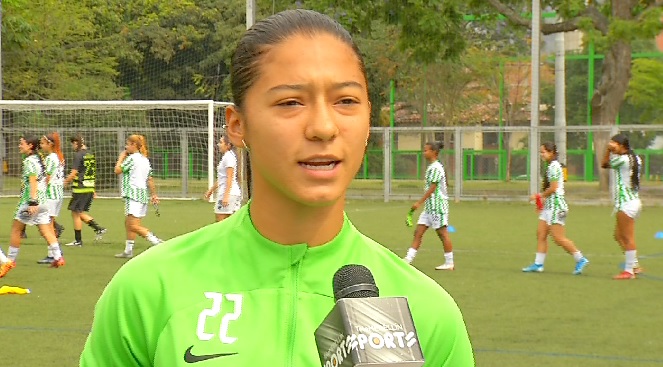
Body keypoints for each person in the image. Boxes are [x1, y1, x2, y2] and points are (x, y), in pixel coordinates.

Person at [80, 9, 474, 366]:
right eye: (290, 102)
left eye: (346, 100)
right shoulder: (150, 289)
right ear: (238, 125)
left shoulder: (428, 313)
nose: (323, 127)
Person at [0, 136, 65, 278]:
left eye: (21, 143)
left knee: (16, 229)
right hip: (44, 200)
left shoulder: (30, 161)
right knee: (46, 230)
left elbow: (33, 180)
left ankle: (9, 261)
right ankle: (58, 257)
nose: (19, 145)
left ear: (30, 146)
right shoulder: (39, 158)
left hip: (31, 201)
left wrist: (32, 202)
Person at [522, 142, 590, 275]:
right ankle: (538, 264)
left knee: (558, 238)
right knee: (541, 234)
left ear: (552, 152)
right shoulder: (551, 166)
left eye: (544, 152)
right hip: (549, 207)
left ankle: (580, 258)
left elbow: (553, 188)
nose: (542, 155)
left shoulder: (554, 167)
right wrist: (541, 204)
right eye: (540, 152)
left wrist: (538, 196)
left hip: (557, 207)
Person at [403, 141, 455, 270]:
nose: (424, 152)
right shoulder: (432, 167)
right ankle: (408, 259)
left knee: (442, 234)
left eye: (426, 150)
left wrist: (419, 203)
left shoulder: (436, 168)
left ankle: (449, 263)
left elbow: (433, 187)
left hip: (437, 207)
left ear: (434, 152)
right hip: (429, 208)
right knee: (418, 232)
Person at [113, 134, 163, 259]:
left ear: (133, 145)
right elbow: (150, 179)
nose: (126, 147)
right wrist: (154, 195)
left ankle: (156, 242)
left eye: (127, 144)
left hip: (133, 194)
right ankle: (128, 250)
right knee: (129, 222)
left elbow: (117, 170)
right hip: (142, 195)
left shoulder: (132, 158)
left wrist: (121, 158)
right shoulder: (145, 159)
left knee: (132, 225)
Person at [601, 134, 642, 279]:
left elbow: (604, 164)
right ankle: (634, 265)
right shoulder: (635, 158)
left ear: (621, 145)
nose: (611, 145)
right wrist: (612, 149)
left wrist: (608, 150)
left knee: (628, 237)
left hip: (627, 203)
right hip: (632, 201)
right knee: (618, 235)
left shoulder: (623, 159)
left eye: (613, 143)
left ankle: (629, 271)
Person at [63, 134, 106, 247]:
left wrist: (64, 183)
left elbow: (74, 173)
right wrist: (94, 189)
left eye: (72, 144)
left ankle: (78, 241)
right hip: (89, 186)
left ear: (76, 143)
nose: (72, 147)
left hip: (80, 188)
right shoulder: (90, 154)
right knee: (78, 212)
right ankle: (98, 228)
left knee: (76, 214)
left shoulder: (79, 155)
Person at [37, 132, 67, 264]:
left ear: (50, 144)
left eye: (43, 143)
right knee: (50, 223)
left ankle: (53, 254)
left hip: (50, 194)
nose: (41, 145)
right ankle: (55, 251)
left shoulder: (50, 158)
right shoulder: (59, 157)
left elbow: (47, 178)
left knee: (45, 225)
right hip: (58, 193)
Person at [203, 134, 242, 222]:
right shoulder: (227, 156)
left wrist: (226, 196)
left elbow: (230, 177)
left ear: (228, 145)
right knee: (230, 222)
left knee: (220, 221)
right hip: (231, 193)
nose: (218, 144)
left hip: (228, 193)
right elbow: (222, 178)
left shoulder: (229, 157)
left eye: (221, 142)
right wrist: (211, 190)